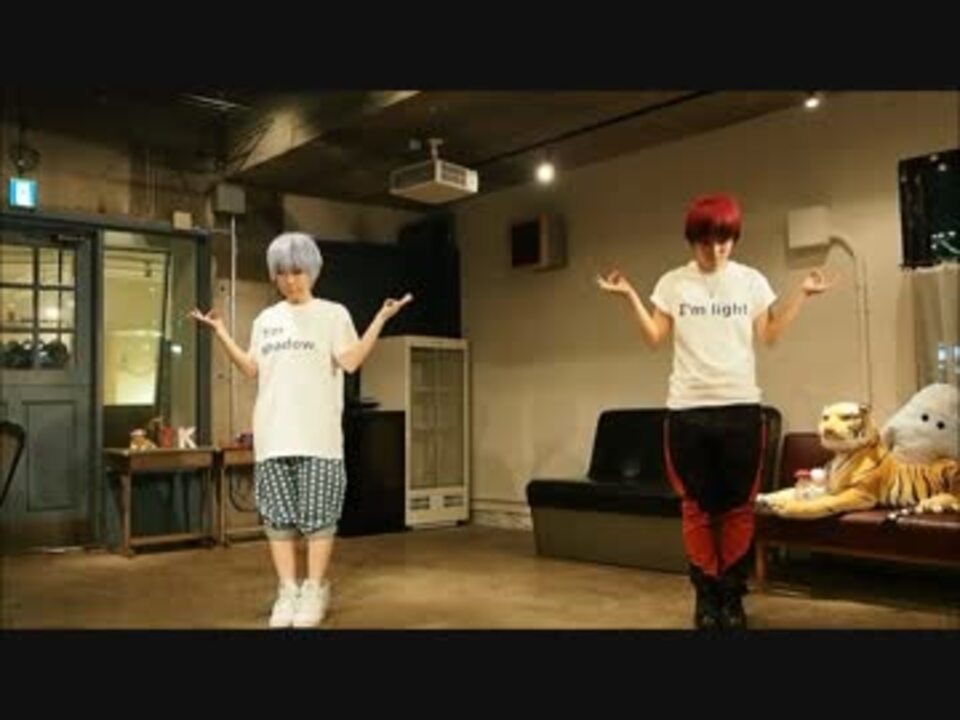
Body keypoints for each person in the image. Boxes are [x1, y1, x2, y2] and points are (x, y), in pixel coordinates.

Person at [597, 193, 834, 629]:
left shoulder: (750, 281)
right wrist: (629, 295)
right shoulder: (673, 283)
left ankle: (732, 595)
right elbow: (654, 337)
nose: (717, 250)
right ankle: (706, 596)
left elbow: (770, 334)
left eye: (724, 241)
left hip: (740, 408)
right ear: (693, 241)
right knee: (697, 509)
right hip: (687, 410)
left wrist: (801, 294)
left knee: (738, 508)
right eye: (707, 242)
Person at [191, 232, 412, 628]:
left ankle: (314, 588)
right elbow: (251, 368)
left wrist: (380, 319)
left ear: (312, 271)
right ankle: (287, 590)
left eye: (298, 271)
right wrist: (221, 332)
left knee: (319, 518)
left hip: (318, 438)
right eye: (282, 273)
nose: (291, 280)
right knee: (277, 520)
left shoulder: (333, 314)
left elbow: (351, 361)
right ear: (274, 276)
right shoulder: (266, 320)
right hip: (273, 436)